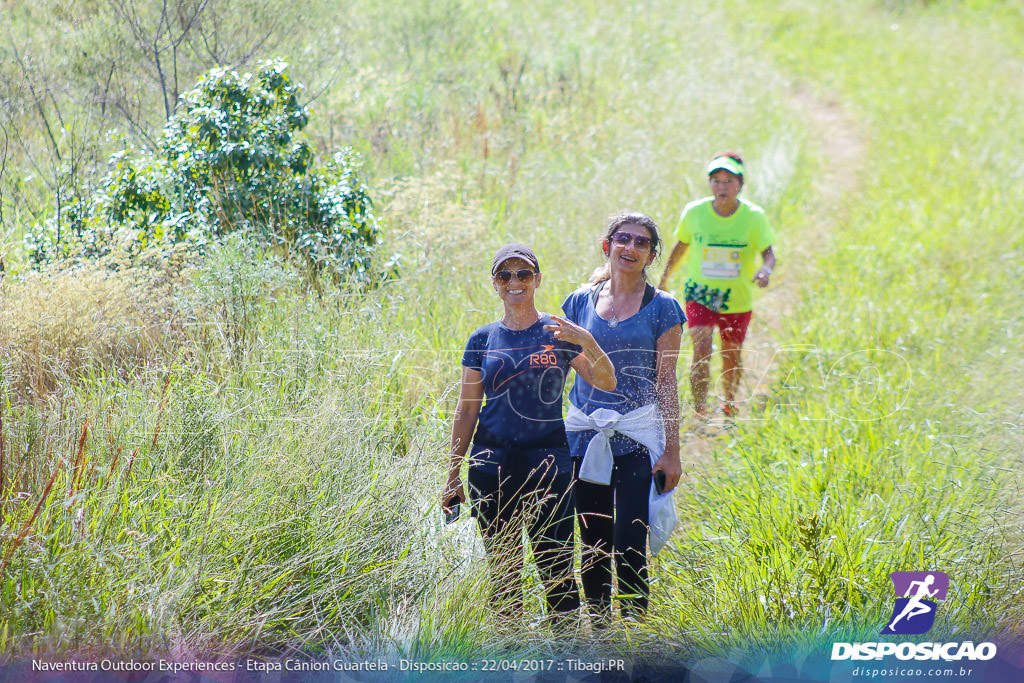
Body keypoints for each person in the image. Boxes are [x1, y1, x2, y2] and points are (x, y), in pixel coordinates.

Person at [443, 244, 616, 622]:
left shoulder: (559, 333)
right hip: (491, 466)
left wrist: (587, 340)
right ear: (495, 284)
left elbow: (606, 380)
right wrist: (453, 475)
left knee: (556, 567)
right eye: (505, 275)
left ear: (538, 279)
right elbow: (468, 408)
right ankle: (512, 655)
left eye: (523, 274)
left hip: (548, 463)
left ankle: (567, 656)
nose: (514, 282)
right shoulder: (482, 340)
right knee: (503, 571)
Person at [561, 212, 685, 622]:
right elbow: (564, 368)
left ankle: (634, 626)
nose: (630, 248)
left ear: (651, 255)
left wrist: (673, 451)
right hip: (583, 435)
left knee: (630, 535)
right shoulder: (579, 302)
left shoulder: (663, 308)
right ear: (607, 245)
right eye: (623, 239)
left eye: (641, 243)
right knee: (592, 534)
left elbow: (666, 381)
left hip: (636, 436)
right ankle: (597, 623)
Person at [658, 152, 777, 420]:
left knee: (731, 355)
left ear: (740, 184)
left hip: (737, 299)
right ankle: (700, 411)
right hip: (701, 294)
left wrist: (765, 270)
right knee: (701, 349)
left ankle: (729, 404)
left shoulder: (754, 217)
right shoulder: (695, 212)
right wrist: (664, 278)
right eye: (716, 180)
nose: (721, 186)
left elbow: (769, 253)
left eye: (728, 180)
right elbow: (681, 245)